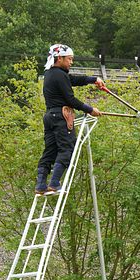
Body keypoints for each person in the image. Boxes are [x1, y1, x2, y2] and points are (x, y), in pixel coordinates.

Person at [36, 43, 105, 195]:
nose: (71, 62)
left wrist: (93, 79)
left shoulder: (50, 74)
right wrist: (90, 109)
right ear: (59, 58)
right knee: (67, 148)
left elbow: (72, 80)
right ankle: (54, 183)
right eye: (69, 59)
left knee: (50, 151)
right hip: (61, 116)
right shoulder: (60, 75)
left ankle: (40, 185)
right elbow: (71, 99)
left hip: (49, 117)